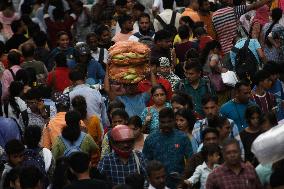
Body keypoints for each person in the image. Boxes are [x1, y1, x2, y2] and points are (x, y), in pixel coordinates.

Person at [143, 107, 192, 188]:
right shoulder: (150, 139)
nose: (166, 125)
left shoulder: (182, 137)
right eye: (163, 122)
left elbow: (190, 160)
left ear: (174, 121)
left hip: (178, 183)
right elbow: (145, 163)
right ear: (159, 121)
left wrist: (184, 178)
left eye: (169, 122)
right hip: (157, 184)